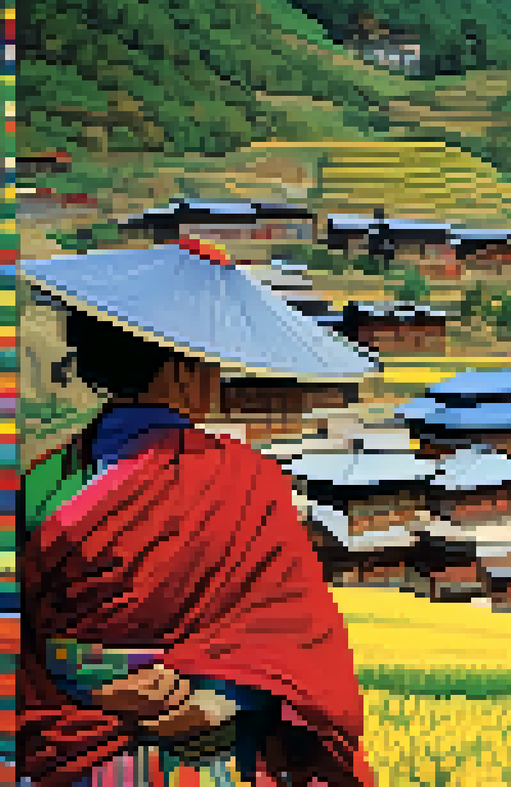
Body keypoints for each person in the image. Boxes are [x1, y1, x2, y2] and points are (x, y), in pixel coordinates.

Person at [20, 239, 381, 787]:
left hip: (73, 752)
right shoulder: (246, 481)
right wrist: (218, 697)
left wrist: (95, 681)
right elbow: (296, 638)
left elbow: (20, 628)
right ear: (181, 372)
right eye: (209, 365)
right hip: (204, 756)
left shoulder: (44, 480)